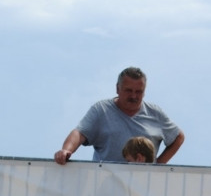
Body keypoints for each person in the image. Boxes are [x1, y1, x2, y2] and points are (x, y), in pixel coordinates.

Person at [54, 67, 185, 165]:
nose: (133, 96)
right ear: (117, 88)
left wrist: (158, 166)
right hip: (105, 186)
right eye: (128, 90)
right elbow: (79, 133)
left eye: (138, 92)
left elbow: (178, 137)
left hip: (143, 188)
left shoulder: (155, 113)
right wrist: (66, 150)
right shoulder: (101, 110)